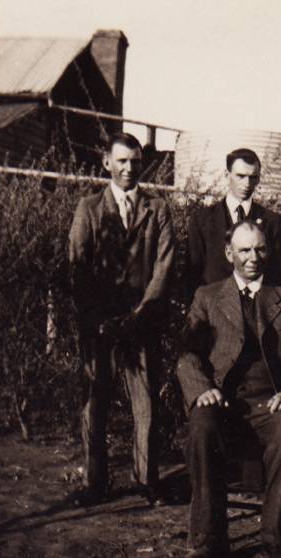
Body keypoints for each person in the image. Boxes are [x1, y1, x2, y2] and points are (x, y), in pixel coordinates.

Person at [177, 221, 281, 558]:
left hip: (269, 402)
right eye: (244, 250)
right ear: (229, 254)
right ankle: (208, 539)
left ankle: (277, 541)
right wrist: (202, 389)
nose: (252, 258)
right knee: (201, 427)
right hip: (221, 401)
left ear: (268, 252)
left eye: (259, 249)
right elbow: (186, 353)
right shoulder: (207, 297)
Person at [67, 132, 176, 507]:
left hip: (142, 324)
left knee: (145, 402)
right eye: (122, 161)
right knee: (94, 402)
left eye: (135, 161)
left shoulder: (157, 208)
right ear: (107, 162)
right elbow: (78, 267)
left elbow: (163, 265)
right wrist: (98, 317)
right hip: (100, 326)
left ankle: (147, 480)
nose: (129, 168)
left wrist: (141, 313)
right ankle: (95, 482)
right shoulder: (90, 208)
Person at [186, 148, 281, 295]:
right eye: (240, 176)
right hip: (213, 309)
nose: (247, 183)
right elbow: (192, 276)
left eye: (253, 177)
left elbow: (280, 275)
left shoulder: (273, 222)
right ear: (226, 175)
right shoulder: (201, 220)